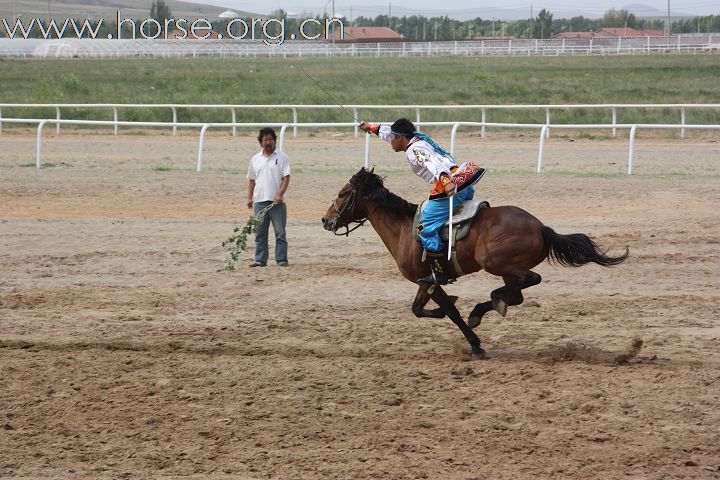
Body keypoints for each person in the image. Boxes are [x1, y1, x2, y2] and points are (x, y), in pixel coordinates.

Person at [359, 118, 484, 285]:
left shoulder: (415, 150)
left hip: (450, 186)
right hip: (465, 184)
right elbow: (389, 132)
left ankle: (439, 273)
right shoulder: (416, 139)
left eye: (393, 139)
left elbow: (432, 164)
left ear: (400, 138)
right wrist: (371, 128)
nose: (390, 143)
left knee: (423, 227)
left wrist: (446, 182)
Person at [246, 127, 291, 267]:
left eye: (270, 139)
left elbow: (286, 177)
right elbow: (252, 180)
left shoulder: (282, 157)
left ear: (275, 141)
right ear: (260, 142)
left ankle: (281, 259)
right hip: (259, 201)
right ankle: (260, 260)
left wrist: (280, 194)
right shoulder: (255, 159)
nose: (268, 142)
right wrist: (249, 198)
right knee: (260, 233)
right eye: (265, 139)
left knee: (280, 233)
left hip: (277, 203)